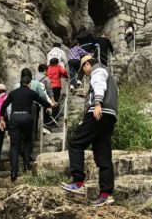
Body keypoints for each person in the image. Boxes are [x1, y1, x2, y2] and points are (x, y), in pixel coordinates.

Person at [61, 55, 118, 207]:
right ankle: (106, 194)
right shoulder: (109, 76)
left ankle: (78, 182)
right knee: (103, 155)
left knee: (75, 142)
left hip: (98, 112)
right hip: (110, 116)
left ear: (87, 64)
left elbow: (99, 84)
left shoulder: (97, 70)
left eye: (84, 69)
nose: (85, 73)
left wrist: (97, 102)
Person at [0, 73, 51, 182]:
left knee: (14, 146)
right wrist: (50, 105)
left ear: (20, 83)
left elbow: (4, 105)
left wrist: (2, 118)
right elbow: (43, 102)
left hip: (15, 118)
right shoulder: (31, 93)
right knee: (28, 141)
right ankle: (27, 164)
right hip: (27, 118)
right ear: (29, 83)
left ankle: (13, 172)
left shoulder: (13, 93)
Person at [37, 64, 56, 131]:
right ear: (45, 70)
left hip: (34, 100)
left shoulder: (33, 77)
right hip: (43, 98)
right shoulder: (46, 78)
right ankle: (47, 127)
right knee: (47, 111)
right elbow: (49, 91)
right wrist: (53, 101)